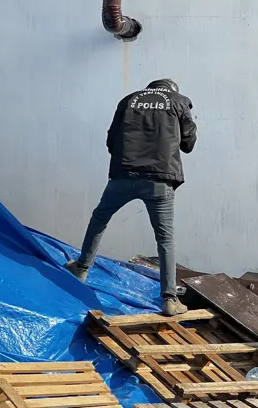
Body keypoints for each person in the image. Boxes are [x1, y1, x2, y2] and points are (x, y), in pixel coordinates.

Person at [65, 78, 197, 316]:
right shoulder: (179, 102)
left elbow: (111, 140)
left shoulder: (128, 101)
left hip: (124, 176)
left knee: (100, 217)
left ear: (150, 88)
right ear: (171, 90)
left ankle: (82, 267)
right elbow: (188, 143)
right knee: (165, 238)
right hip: (159, 180)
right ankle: (169, 299)